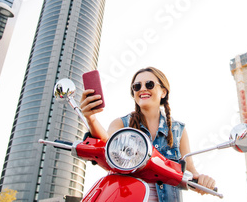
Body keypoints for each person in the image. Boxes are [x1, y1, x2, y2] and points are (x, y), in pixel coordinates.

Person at [80, 66, 216, 202]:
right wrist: (91, 119)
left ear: (163, 92)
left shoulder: (178, 129)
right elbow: (107, 142)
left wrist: (203, 181)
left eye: (149, 84)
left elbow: (190, 172)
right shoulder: (122, 124)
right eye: (137, 86)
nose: (143, 89)